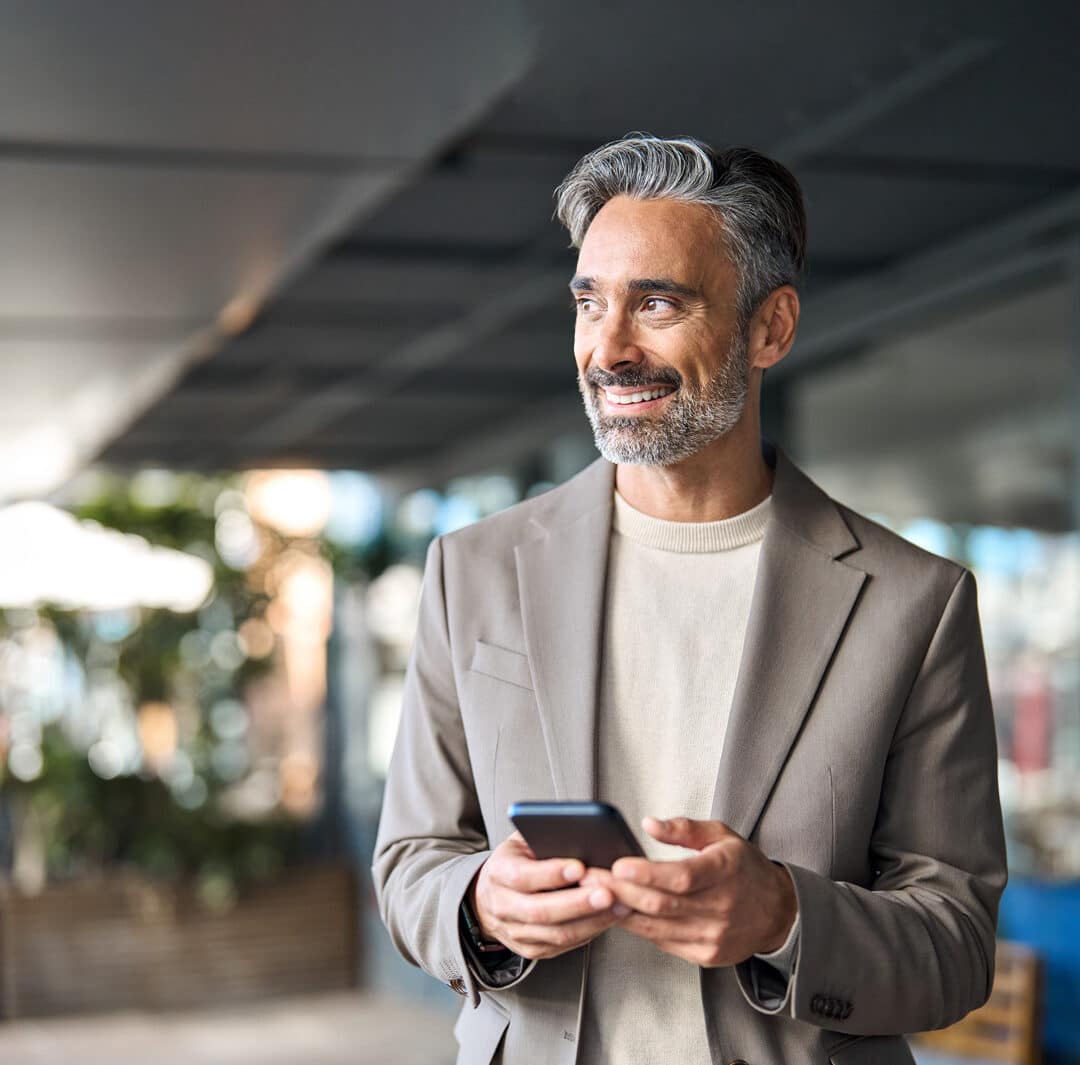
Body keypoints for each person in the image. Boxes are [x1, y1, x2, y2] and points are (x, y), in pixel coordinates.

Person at [372, 135, 1006, 1065]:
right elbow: (408, 864)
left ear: (770, 328)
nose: (608, 348)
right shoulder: (473, 570)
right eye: (589, 303)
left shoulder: (916, 602)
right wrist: (477, 904)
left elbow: (956, 944)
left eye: (657, 302)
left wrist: (786, 916)